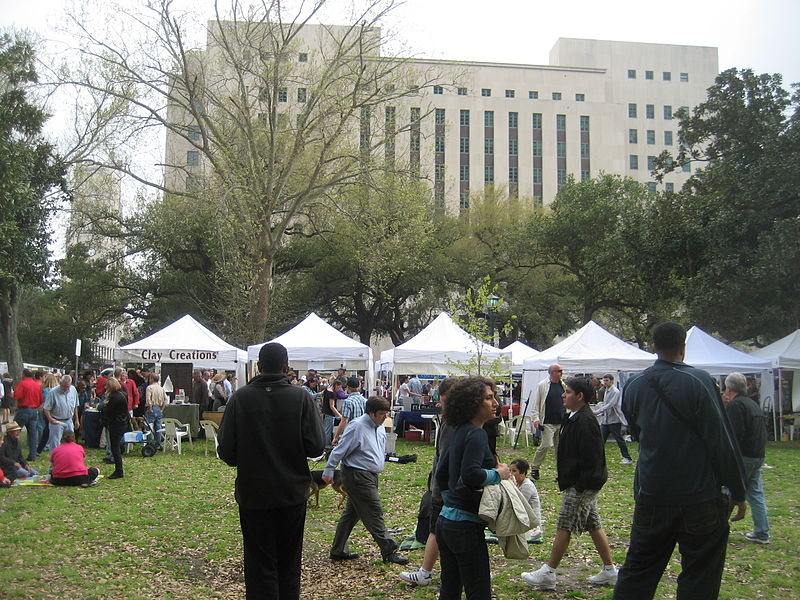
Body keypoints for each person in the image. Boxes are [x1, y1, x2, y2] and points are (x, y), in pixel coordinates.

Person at [613, 322, 746, 600]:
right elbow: (720, 439)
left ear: (653, 347)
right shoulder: (700, 381)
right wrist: (738, 489)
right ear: (683, 347)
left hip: (653, 492)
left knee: (638, 571)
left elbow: (636, 432)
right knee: (700, 574)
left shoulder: (635, 385)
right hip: (699, 494)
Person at [217, 342, 325, 600]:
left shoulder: (241, 398)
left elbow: (226, 451)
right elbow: (316, 446)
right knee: (289, 560)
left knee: (258, 561)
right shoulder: (300, 398)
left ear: (259, 366)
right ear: (286, 367)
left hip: (254, 491)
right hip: (291, 491)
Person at [521, 376, 617, 591]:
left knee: (564, 524)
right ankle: (610, 570)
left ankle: (549, 572)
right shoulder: (574, 417)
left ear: (580, 396)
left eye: (568, 392)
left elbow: (593, 458)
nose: (563, 395)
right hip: (579, 483)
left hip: (582, 485)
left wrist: (581, 485)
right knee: (593, 524)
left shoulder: (585, 421)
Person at [434, 376, 511, 600]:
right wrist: (499, 474)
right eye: (488, 398)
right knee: (478, 592)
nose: (495, 402)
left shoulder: (460, 430)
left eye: (494, 396)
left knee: (450, 589)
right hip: (465, 528)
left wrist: (452, 502)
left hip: (446, 522)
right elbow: (471, 476)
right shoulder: (477, 434)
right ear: (472, 403)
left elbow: (441, 474)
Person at [323, 395, 408, 565]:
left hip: (369, 474)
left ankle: (338, 550)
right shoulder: (357, 426)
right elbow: (340, 449)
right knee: (374, 511)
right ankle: (389, 550)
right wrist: (329, 468)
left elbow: (378, 450)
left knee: (351, 514)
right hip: (357, 475)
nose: (385, 417)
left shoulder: (380, 426)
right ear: (371, 413)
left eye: (387, 413)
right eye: (381, 414)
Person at [400, 377, 458, 587]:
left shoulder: (454, 422)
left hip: (447, 489)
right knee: (439, 530)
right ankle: (431, 572)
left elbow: (444, 458)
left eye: (442, 400)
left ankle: (428, 572)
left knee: (442, 530)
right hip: (445, 487)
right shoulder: (452, 420)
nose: (439, 404)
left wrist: (437, 488)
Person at [722, 372, 770, 544]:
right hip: (757, 454)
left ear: (728, 388)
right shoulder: (752, 403)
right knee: (755, 493)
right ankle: (762, 532)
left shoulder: (736, 406)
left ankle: (718, 528)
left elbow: (733, 435)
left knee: (728, 490)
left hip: (743, 456)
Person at [529, 364, 566, 480]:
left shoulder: (563, 385)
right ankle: (535, 467)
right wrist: (536, 419)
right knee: (546, 445)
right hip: (547, 421)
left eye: (561, 371)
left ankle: (560, 473)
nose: (561, 373)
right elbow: (536, 403)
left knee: (560, 449)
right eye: (559, 371)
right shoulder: (543, 385)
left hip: (561, 421)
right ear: (552, 372)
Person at [594, 373, 633, 464]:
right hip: (606, 420)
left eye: (607, 380)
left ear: (612, 381)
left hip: (614, 420)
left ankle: (627, 458)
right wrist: (601, 413)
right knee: (600, 439)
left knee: (619, 439)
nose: (605, 382)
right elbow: (605, 404)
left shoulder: (615, 391)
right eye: (604, 380)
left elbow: (611, 404)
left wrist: (598, 412)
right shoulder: (606, 390)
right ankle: (596, 458)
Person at [42, 375, 80, 452]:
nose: (66, 388)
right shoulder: (53, 392)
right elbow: (46, 408)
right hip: (56, 421)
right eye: (64, 386)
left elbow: (75, 405)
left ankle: (68, 460)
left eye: (68, 386)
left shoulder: (73, 390)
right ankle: (55, 462)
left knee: (70, 443)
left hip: (69, 420)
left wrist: (76, 419)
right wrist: (50, 419)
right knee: (55, 444)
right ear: (60, 383)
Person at [13, 369, 44, 462]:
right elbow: (40, 399)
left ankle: (13, 453)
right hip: (34, 410)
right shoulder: (37, 385)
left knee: (14, 431)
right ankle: (32, 455)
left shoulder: (22, 383)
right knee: (32, 434)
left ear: (24, 375)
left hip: (24, 409)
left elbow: (17, 396)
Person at [509, 458, 543, 542]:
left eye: (514, 471)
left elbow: (519, 505)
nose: (511, 474)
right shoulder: (517, 483)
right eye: (510, 471)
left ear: (523, 472)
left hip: (530, 519)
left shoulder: (527, 486)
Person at [102, 377, 129, 480]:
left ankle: (119, 470)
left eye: (107, 386)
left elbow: (108, 411)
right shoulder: (123, 394)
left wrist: (105, 406)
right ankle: (119, 469)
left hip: (116, 424)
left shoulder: (114, 397)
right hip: (122, 423)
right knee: (115, 447)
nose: (105, 387)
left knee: (115, 448)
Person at [332, 377, 366, 446]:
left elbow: (344, 421)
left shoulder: (348, 402)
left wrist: (336, 436)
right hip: (363, 432)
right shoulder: (365, 400)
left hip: (352, 432)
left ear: (348, 387)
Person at [145, 373, 167, 446]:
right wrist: (162, 409)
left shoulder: (149, 388)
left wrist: (150, 408)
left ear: (152, 379)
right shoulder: (162, 388)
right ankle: (158, 443)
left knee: (149, 426)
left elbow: (148, 399)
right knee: (158, 426)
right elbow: (166, 400)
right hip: (159, 408)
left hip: (152, 407)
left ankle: (149, 443)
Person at [321, 380, 343, 446]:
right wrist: (340, 415)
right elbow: (332, 406)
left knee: (325, 430)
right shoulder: (332, 394)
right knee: (328, 432)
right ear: (336, 385)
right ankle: (326, 446)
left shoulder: (326, 390)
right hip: (330, 414)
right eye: (338, 387)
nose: (339, 389)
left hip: (325, 412)